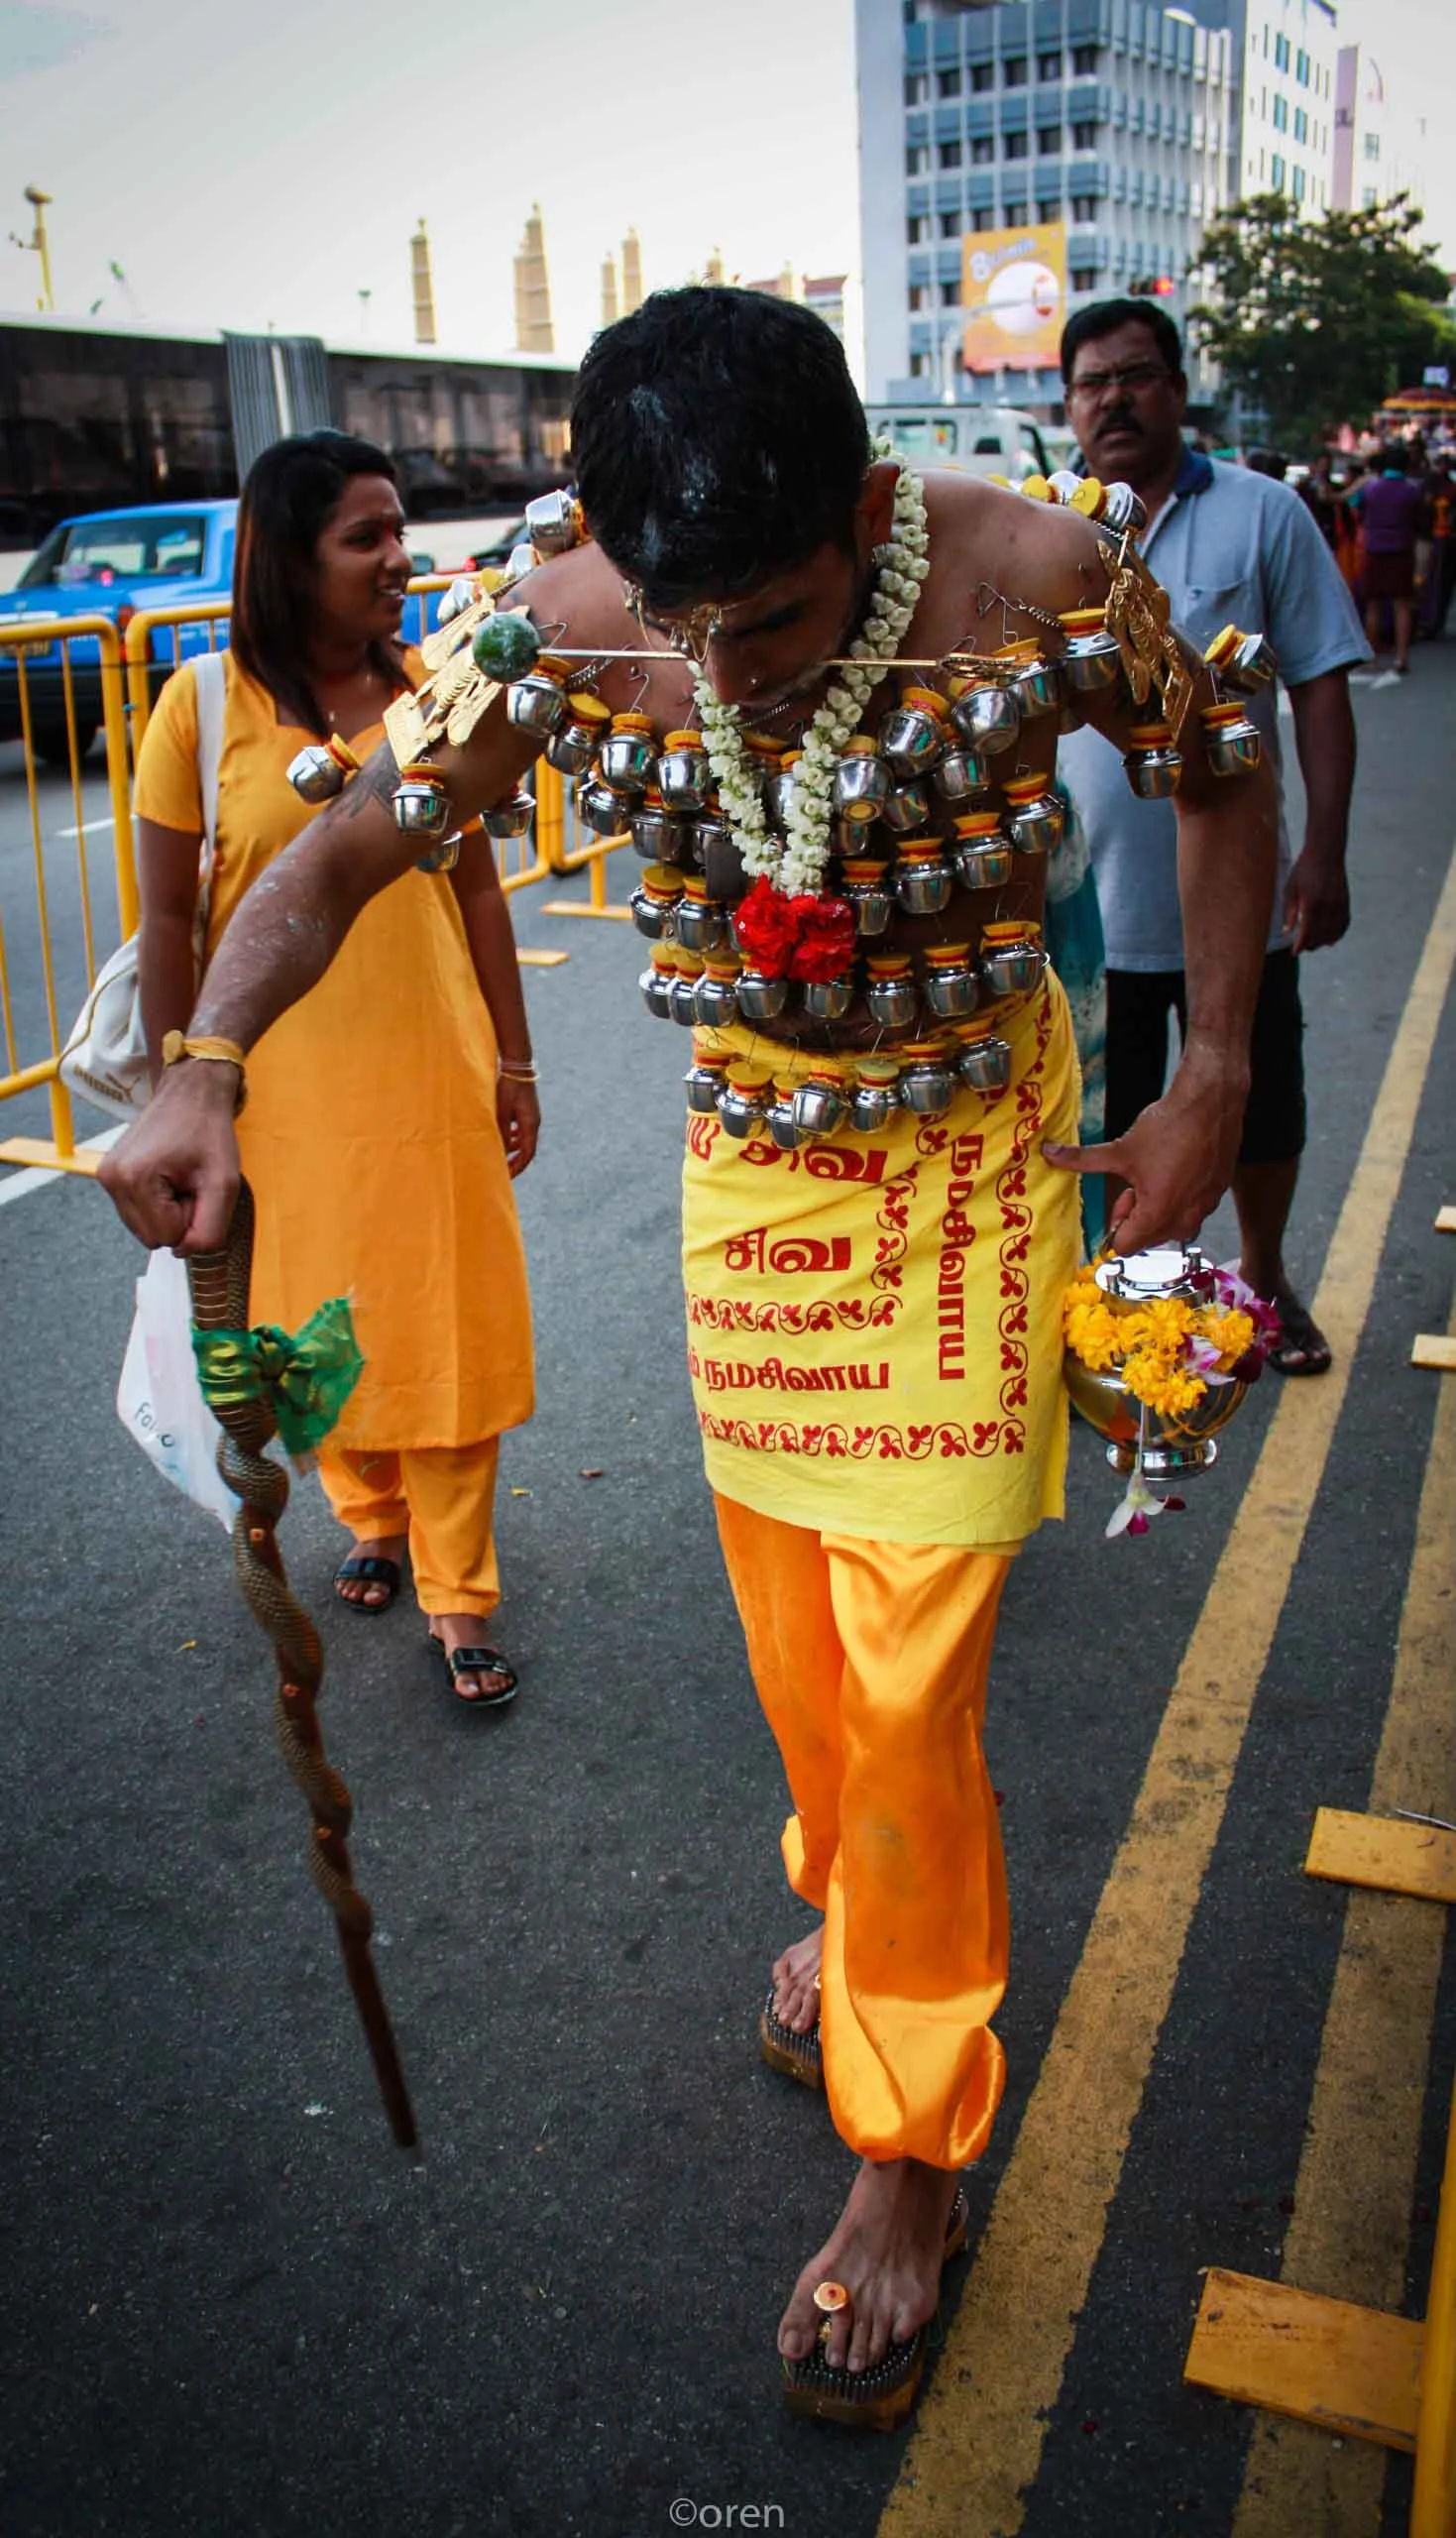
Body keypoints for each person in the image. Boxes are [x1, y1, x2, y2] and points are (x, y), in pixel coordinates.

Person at [102, 290, 1277, 2420]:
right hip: (755, 1164)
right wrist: (201, 1059)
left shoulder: (1032, 573)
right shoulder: (550, 620)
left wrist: (1203, 1070)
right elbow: (353, 838)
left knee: (912, 1652)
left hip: (965, 1155)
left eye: (783, 616)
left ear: (860, 508)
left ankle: (906, 2140)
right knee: (797, 1633)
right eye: (689, 627)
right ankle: (844, 1911)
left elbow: (1216, 752)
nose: (728, 671)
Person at [135, 431, 536, 1704]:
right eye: (365, 536)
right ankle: (370, 1513)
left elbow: (477, 893)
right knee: (313, 1312)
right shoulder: (199, 707)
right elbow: (169, 926)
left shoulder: (435, 691)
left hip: (428, 1061)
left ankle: (460, 1585)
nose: (397, 559)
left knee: (447, 1313)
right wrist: (175, 1089)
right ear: (287, 561)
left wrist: (514, 1057)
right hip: (277, 1081)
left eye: (397, 529)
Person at [1058, 297, 1370, 1378]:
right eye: (1091, 382)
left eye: (1134, 375)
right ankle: (1125, 1308)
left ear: (1176, 389)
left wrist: (1319, 851)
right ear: (1066, 403)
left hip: (1233, 911)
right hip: (1091, 913)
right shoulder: (1049, 530)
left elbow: (1323, 686)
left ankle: (1264, 1274)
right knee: (1108, 1115)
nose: (1113, 399)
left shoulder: (1263, 513)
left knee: (1258, 1105)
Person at [1346, 442, 1426, 674]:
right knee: (1402, 604)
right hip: (1402, 551)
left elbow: (1355, 506)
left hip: (1374, 550)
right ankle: (1401, 657)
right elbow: (1419, 519)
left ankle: (1371, 656)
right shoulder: (1412, 490)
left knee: (1374, 605)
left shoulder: (1371, 489)